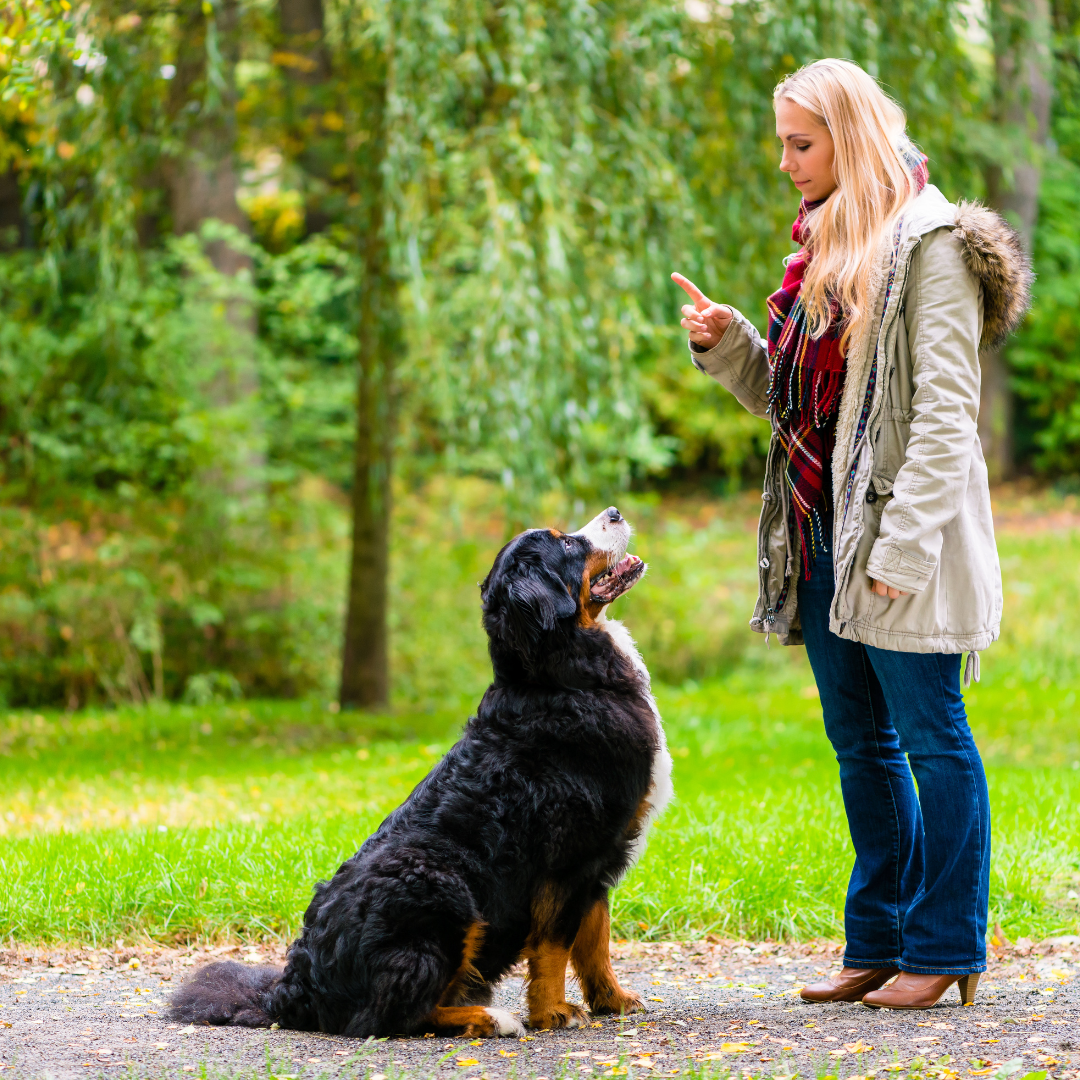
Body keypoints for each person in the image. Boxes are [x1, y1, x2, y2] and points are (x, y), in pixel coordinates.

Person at [673, 59, 1031, 1010]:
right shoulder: (825, 247)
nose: (787, 163)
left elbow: (949, 417)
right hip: (821, 531)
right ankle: (879, 938)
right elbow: (799, 409)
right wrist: (730, 345)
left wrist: (901, 552)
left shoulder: (934, 245)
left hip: (900, 543)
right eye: (782, 143)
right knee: (860, 743)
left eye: (803, 143)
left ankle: (948, 944)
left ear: (851, 135)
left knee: (932, 736)